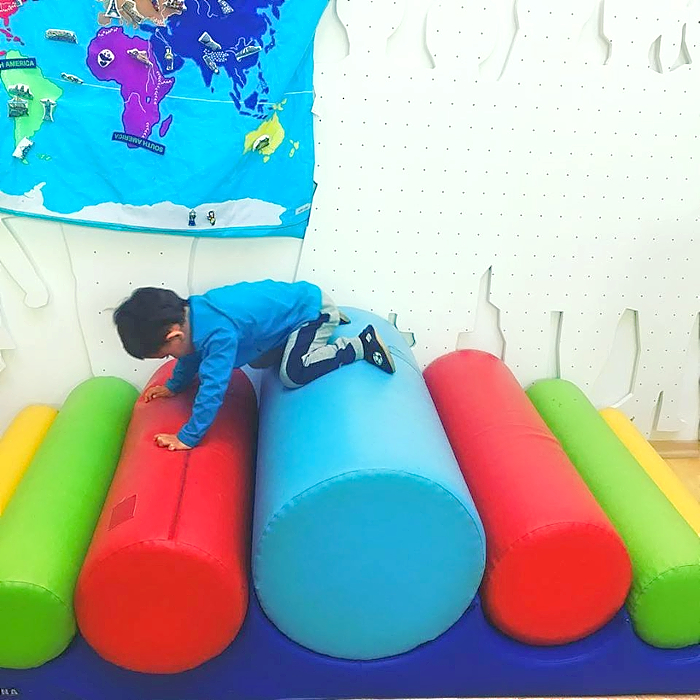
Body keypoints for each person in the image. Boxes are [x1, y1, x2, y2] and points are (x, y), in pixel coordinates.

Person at [113, 280, 395, 451]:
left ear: (174, 334)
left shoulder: (217, 333)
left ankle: (358, 344)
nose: (171, 359)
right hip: (290, 312)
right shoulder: (194, 314)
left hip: (310, 311)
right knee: (259, 361)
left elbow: (213, 387)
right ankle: (324, 323)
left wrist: (188, 437)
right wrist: (174, 386)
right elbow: (189, 355)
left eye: (166, 355)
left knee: (293, 374)